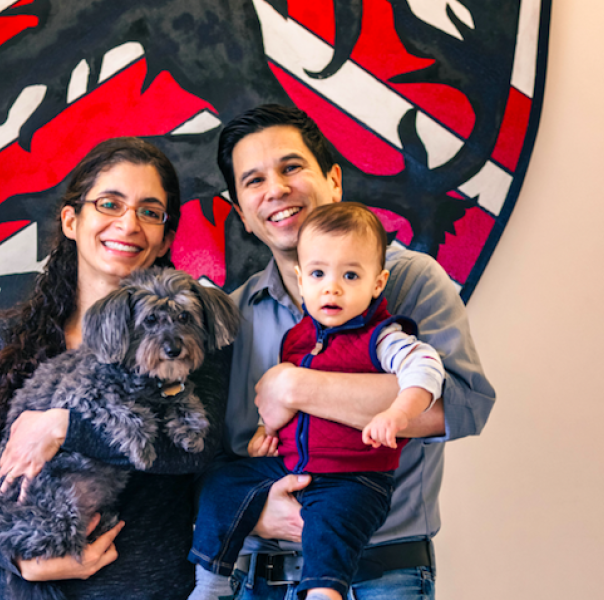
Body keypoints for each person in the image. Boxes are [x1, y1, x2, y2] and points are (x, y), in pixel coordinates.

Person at [189, 105, 495, 600]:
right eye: (254, 181)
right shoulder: (230, 314)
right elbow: (208, 453)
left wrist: (297, 386)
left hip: (378, 577)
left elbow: (461, 407)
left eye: (292, 168)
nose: (277, 190)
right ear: (242, 212)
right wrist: (256, 510)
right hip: (253, 580)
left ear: (333, 180)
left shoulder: (410, 281)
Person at [0, 137, 229, 600]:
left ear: (166, 238)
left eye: (150, 212)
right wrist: (20, 559)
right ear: (72, 220)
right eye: (110, 203)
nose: (128, 223)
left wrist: (63, 427)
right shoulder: (3, 345)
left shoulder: (192, 336)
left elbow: (195, 453)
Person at [189, 203, 445, 600]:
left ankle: (325, 593)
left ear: (377, 284)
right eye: (319, 274)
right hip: (293, 465)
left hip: (352, 474)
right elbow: (282, 408)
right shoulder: (296, 339)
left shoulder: (382, 336)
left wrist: (398, 412)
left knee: (330, 521)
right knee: (223, 484)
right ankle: (212, 582)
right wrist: (264, 432)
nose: (332, 287)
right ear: (302, 279)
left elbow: (426, 368)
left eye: (350, 275)